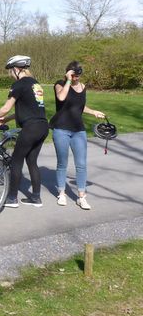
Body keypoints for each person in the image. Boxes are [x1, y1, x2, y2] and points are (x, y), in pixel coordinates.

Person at [0, 55, 49, 208]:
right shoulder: (35, 84)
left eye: (10, 72)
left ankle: (12, 198)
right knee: (32, 161)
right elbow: (29, 109)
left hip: (31, 128)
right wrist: (6, 119)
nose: (10, 75)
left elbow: (6, 107)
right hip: (42, 126)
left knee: (16, 161)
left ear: (16, 69)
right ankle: (36, 198)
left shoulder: (19, 84)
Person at [49, 61, 105, 210]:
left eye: (78, 75)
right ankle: (62, 193)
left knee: (81, 165)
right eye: (73, 75)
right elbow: (61, 98)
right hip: (61, 129)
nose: (76, 78)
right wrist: (68, 80)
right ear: (68, 73)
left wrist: (93, 112)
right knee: (62, 163)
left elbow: (79, 105)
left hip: (78, 131)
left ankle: (81, 197)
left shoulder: (83, 87)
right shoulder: (60, 84)